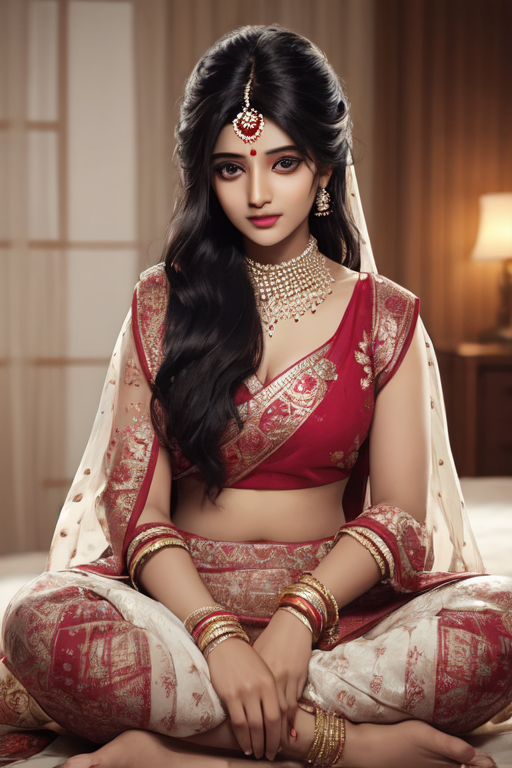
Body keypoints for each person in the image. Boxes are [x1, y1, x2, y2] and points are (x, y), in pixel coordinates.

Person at [1, 25, 511, 768]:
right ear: (205, 176)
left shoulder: (384, 314)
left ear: (326, 168)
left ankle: (170, 746)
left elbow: (399, 519)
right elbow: (136, 515)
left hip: (335, 619)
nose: (260, 193)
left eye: (284, 162)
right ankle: (332, 744)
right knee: (40, 624)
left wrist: (299, 618)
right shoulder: (163, 304)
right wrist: (219, 638)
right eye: (231, 168)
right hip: (183, 613)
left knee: (499, 626)